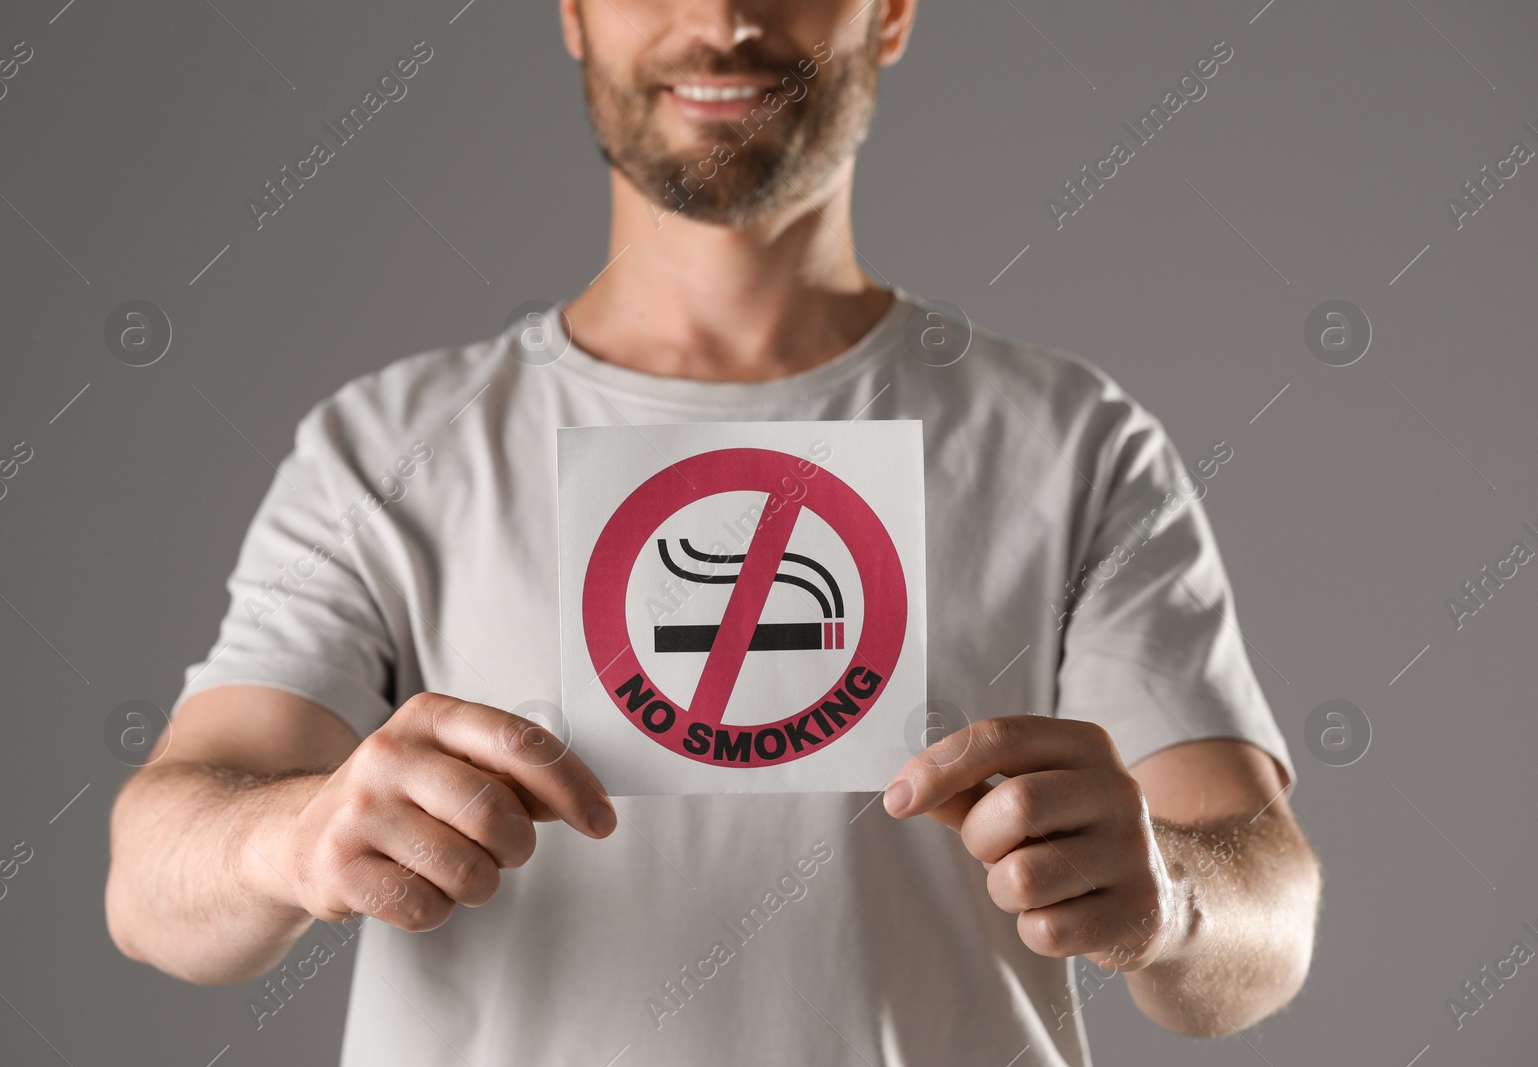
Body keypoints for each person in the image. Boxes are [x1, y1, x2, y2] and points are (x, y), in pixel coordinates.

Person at [105, 1, 1321, 1064]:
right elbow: (153, 885)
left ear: (889, 11)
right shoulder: (385, 446)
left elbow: (1267, 915)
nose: (724, 15)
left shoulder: (1076, 442)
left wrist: (1169, 897)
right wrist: (293, 834)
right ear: (573, 10)